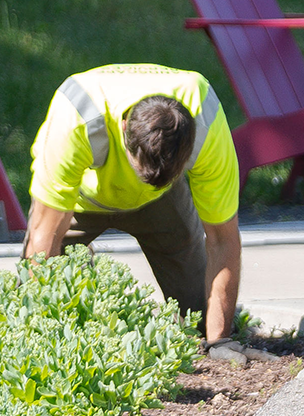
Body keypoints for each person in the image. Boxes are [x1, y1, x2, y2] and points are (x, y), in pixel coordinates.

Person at [23, 63, 275, 365]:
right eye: (145, 170)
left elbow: (222, 238)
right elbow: (43, 236)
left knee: (199, 316)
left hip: (163, 201)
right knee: (45, 299)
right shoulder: (79, 115)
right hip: (80, 201)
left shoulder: (205, 120)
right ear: (125, 128)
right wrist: (41, 335)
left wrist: (220, 340)